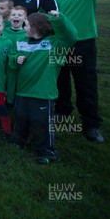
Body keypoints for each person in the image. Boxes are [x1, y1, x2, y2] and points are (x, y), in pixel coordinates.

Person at [50, 0, 110, 143]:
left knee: (86, 84)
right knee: (60, 81)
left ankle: (91, 125)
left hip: (83, 43)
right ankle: (63, 112)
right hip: (59, 43)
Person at [10, 11, 77, 164]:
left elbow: (71, 36)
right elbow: (12, 56)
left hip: (42, 92)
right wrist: (15, 59)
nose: (23, 27)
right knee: (21, 119)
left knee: (41, 123)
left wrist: (59, 19)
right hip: (22, 90)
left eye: (26, 24)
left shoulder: (55, 44)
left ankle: (46, 151)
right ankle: (18, 141)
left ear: (36, 28)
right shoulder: (21, 40)